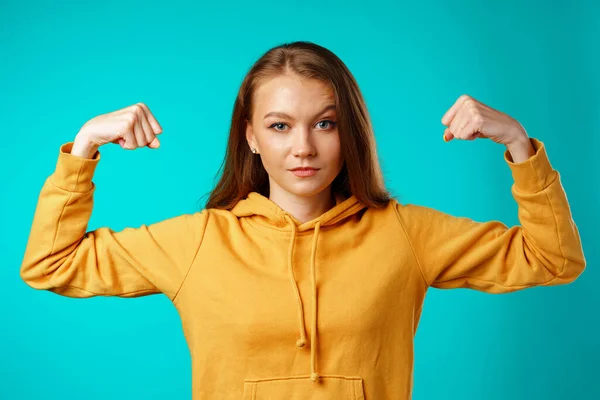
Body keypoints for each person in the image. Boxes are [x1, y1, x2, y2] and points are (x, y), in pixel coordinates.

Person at [20, 41, 586, 399]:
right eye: (280, 126)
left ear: (349, 134)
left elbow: (555, 259)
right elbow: (48, 266)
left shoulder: (404, 234)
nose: (304, 149)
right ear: (250, 137)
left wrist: (518, 145)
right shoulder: (197, 242)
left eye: (324, 123)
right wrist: (83, 149)